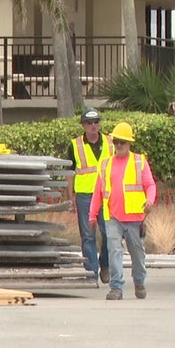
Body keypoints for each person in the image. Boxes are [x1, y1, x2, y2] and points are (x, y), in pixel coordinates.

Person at [89, 122, 157, 301]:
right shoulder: (105, 165)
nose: (119, 145)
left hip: (135, 217)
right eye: (117, 141)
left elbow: (150, 185)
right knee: (114, 252)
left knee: (137, 253)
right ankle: (116, 288)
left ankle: (139, 282)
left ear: (129, 144)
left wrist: (149, 201)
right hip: (112, 217)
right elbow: (98, 192)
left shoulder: (139, 161)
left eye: (123, 142)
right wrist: (92, 215)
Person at [66, 108, 113, 283]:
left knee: (109, 233)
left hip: (106, 195)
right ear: (83, 125)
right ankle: (91, 273)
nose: (93, 126)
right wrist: (70, 197)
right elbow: (69, 173)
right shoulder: (75, 145)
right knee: (88, 235)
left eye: (96, 122)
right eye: (89, 123)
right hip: (85, 195)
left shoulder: (110, 143)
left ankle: (105, 265)